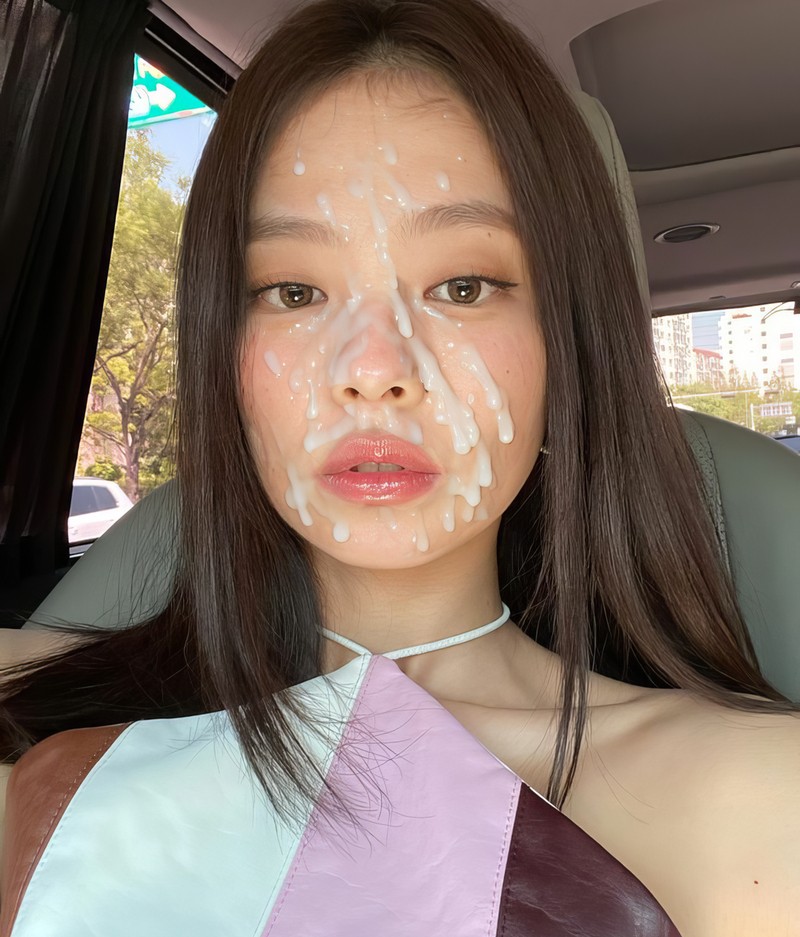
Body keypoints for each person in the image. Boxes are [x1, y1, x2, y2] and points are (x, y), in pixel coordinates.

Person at [0, 0, 798, 934]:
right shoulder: (45, 720)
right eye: (293, 291)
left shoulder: (756, 798)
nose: (374, 370)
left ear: (566, 346)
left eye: (463, 286)